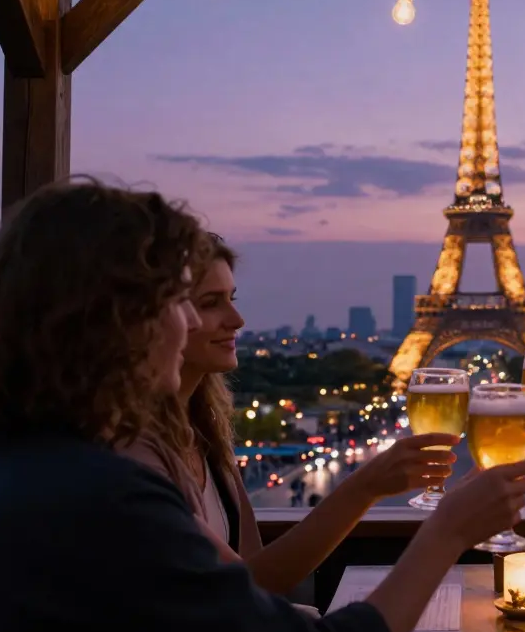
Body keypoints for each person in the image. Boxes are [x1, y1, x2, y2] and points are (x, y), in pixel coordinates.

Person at [0, 180, 525, 632]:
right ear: (112, 322)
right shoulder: (104, 497)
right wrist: (449, 531)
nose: (188, 324)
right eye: (176, 302)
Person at [121, 234, 459, 596]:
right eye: (209, 304)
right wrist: (369, 488)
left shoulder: (203, 431)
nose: (236, 319)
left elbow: (256, 579)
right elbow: (248, 591)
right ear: (147, 318)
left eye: (231, 299)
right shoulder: (131, 453)